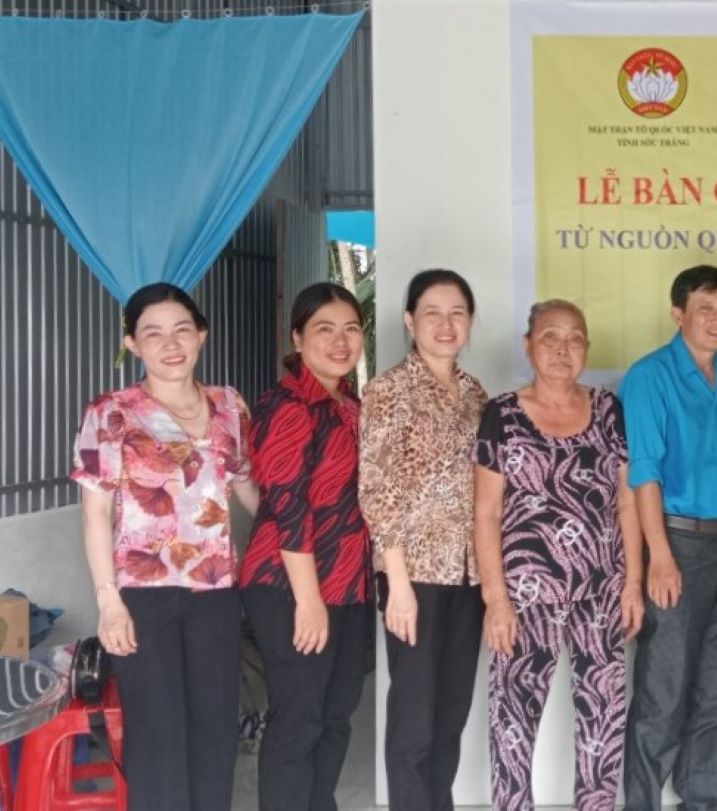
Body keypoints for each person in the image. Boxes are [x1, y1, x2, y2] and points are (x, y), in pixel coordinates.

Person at [71, 283, 259, 811]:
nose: (169, 343)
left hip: (216, 594)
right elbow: (96, 512)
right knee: (157, 738)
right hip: (143, 597)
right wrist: (108, 601)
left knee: (214, 732)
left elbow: (246, 487)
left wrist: (293, 547)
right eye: (152, 333)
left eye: (181, 329)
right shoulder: (111, 413)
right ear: (133, 343)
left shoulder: (228, 407)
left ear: (201, 334)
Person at [472, 299, 645, 811]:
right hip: (526, 598)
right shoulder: (501, 414)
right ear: (528, 346)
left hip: (601, 591)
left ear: (587, 349)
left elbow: (627, 500)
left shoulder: (609, 409)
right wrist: (496, 600)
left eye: (574, 338)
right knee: (513, 722)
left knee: (603, 720)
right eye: (551, 337)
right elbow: (486, 515)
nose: (563, 348)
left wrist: (633, 583)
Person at [620, 265, 717, 811]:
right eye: (706, 308)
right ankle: (643, 803)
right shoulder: (650, 376)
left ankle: (705, 800)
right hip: (678, 545)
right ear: (679, 314)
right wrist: (659, 557)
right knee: (664, 691)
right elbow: (643, 471)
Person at [358, 269, 488, 811]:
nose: (445, 324)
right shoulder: (388, 390)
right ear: (410, 320)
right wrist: (400, 584)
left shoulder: (476, 394)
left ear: (470, 322)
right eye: (432, 313)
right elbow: (376, 488)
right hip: (414, 578)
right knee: (413, 717)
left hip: (467, 575)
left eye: (457, 313)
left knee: (450, 713)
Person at [240, 282, 372, 811]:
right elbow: (288, 507)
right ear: (297, 337)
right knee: (299, 718)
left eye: (351, 329)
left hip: (348, 582)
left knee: (337, 714)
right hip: (291, 588)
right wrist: (309, 598)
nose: (340, 341)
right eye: (324, 329)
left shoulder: (349, 404)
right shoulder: (288, 406)